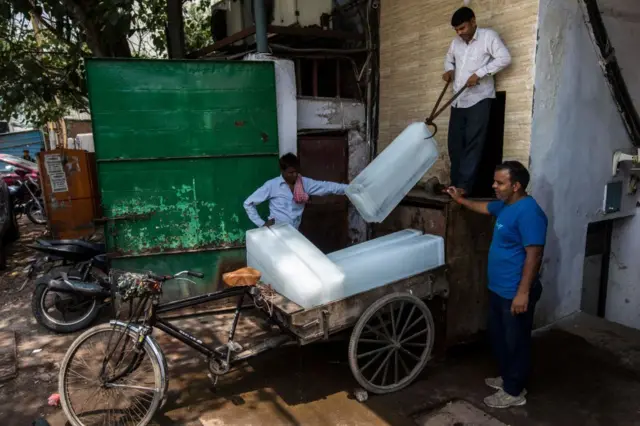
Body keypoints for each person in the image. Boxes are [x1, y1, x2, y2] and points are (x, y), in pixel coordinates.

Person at [446, 161, 547, 409]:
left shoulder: (529, 212)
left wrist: (522, 294)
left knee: (516, 341)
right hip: (499, 289)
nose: (494, 186)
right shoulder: (505, 206)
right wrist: (460, 201)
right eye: (494, 181)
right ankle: (507, 377)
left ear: (516, 185)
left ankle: (514, 391)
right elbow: (484, 208)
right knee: (500, 337)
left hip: (515, 291)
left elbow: (534, 255)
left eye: (499, 182)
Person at [443, 7, 511, 196]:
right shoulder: (455, 43)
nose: (459, 33)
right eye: (456, 30)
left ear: (473, 21)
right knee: (454, 145)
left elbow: (505, 58)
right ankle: (454, 185)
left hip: (479, 99)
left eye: (462, 28)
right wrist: (449, 70)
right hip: (458, 100)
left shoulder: (488, 37)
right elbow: (449, 59)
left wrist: (480, 74)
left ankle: (464, 187)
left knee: (473, 145)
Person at [243, 153, 348, 229]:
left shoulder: (304, 183)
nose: (294, 175)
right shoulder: (272, 185)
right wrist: (262, 224)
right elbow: (248, 203)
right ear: (282, 171)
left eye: (296, 172)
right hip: (276, 232)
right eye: (290, 173)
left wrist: (349, 188)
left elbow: (326, 187)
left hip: (294, 232)